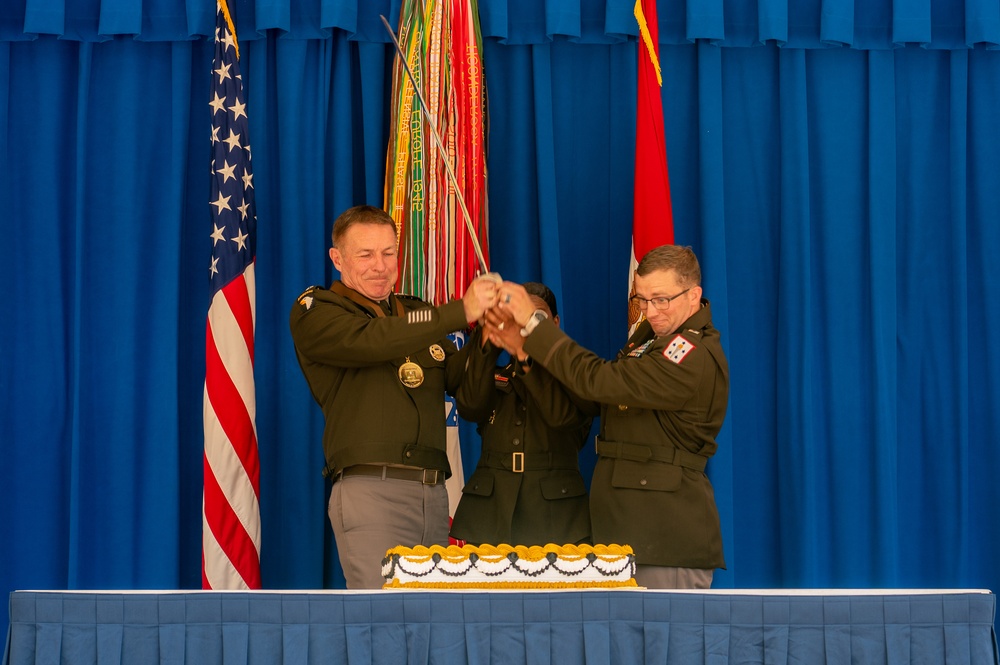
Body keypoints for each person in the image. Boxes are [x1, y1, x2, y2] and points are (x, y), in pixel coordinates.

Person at [489, 245, 728, 589]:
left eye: (662, 299)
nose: (651, 311)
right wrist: (526, 353)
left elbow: (600, 381)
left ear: (694, 296)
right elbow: (594, 399)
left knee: (665, 643)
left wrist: (534, 324)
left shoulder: (688, 352)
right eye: (642, 300)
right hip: (626, 533)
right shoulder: (651, 338)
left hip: (664, 538)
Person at [289, 205, 497, 589]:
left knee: (430, 626)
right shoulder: (317, 310)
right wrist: (458, 311)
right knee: (380, 623)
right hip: (370, 491)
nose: (380, 266)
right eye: (365, 254)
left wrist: (487, 336)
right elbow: (373, 341)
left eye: (388, 253)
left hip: (434, 494)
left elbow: (469, 396)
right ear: (337, 258)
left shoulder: (416, 312)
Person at [450, 282, 594, 547]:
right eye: (518, 318)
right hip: (490, 513)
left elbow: (563, 418)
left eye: (536, 318)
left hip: (555, 515)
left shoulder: (579, 374)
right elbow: (470, 407)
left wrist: (524, 353)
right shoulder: (497, 373)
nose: (525, 326)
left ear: (556, 322)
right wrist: (489, 339)